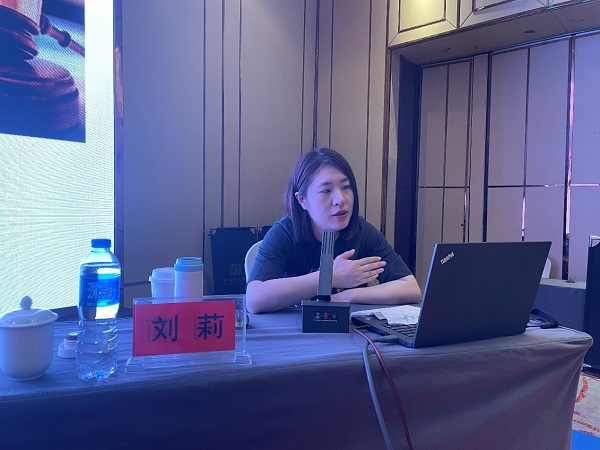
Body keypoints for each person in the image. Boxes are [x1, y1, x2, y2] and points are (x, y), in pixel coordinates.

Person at [246, 148, 421, 314]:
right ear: (302, 200)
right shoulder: (284, 233)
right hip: (296, 329)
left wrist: (349, 296)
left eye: (346, 187)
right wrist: (330, 277)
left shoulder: (362, 232)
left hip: (349, 329)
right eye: (326, 191)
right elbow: (254, 300)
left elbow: (410, 288)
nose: (340, 199)